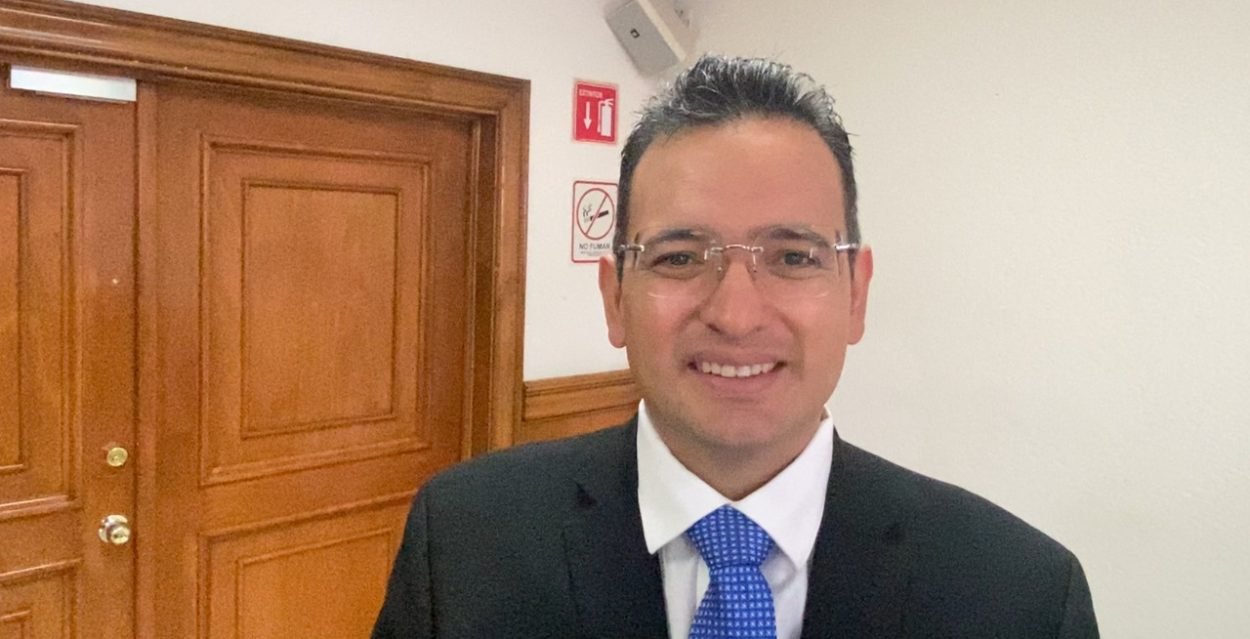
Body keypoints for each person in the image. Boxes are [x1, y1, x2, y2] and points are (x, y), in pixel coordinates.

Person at [371, 54, 1099, 638]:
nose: (737, 314)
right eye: (680, 257)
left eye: (794, 256)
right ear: (614, 297)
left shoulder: (1019, 595)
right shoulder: (465, 540)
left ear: (856, 292)